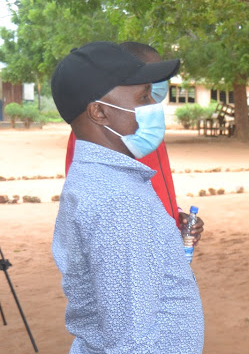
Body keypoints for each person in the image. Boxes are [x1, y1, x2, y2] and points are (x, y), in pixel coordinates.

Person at [51, 41, 202, 354]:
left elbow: (130, 292)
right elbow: (133, 346)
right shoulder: (116, 201)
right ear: (98, 112)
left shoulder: (118, 183)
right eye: (142, 97)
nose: (155, 105)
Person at [64, 42, 204, 241]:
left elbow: (154, 186)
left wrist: (174, 214)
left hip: (159, 241)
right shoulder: (102, 137)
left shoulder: (148, 126)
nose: (160, 82)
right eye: (148, 78)